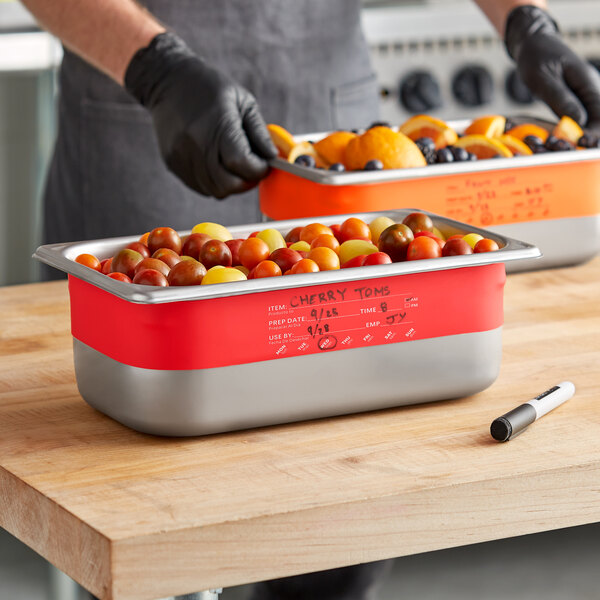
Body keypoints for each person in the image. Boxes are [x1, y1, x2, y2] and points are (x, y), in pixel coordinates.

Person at [19, 1, 600, 599]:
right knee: (146, 520)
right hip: (139, 113)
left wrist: (524, 18)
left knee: (344, 525)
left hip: (327, 115)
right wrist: (152, 65)